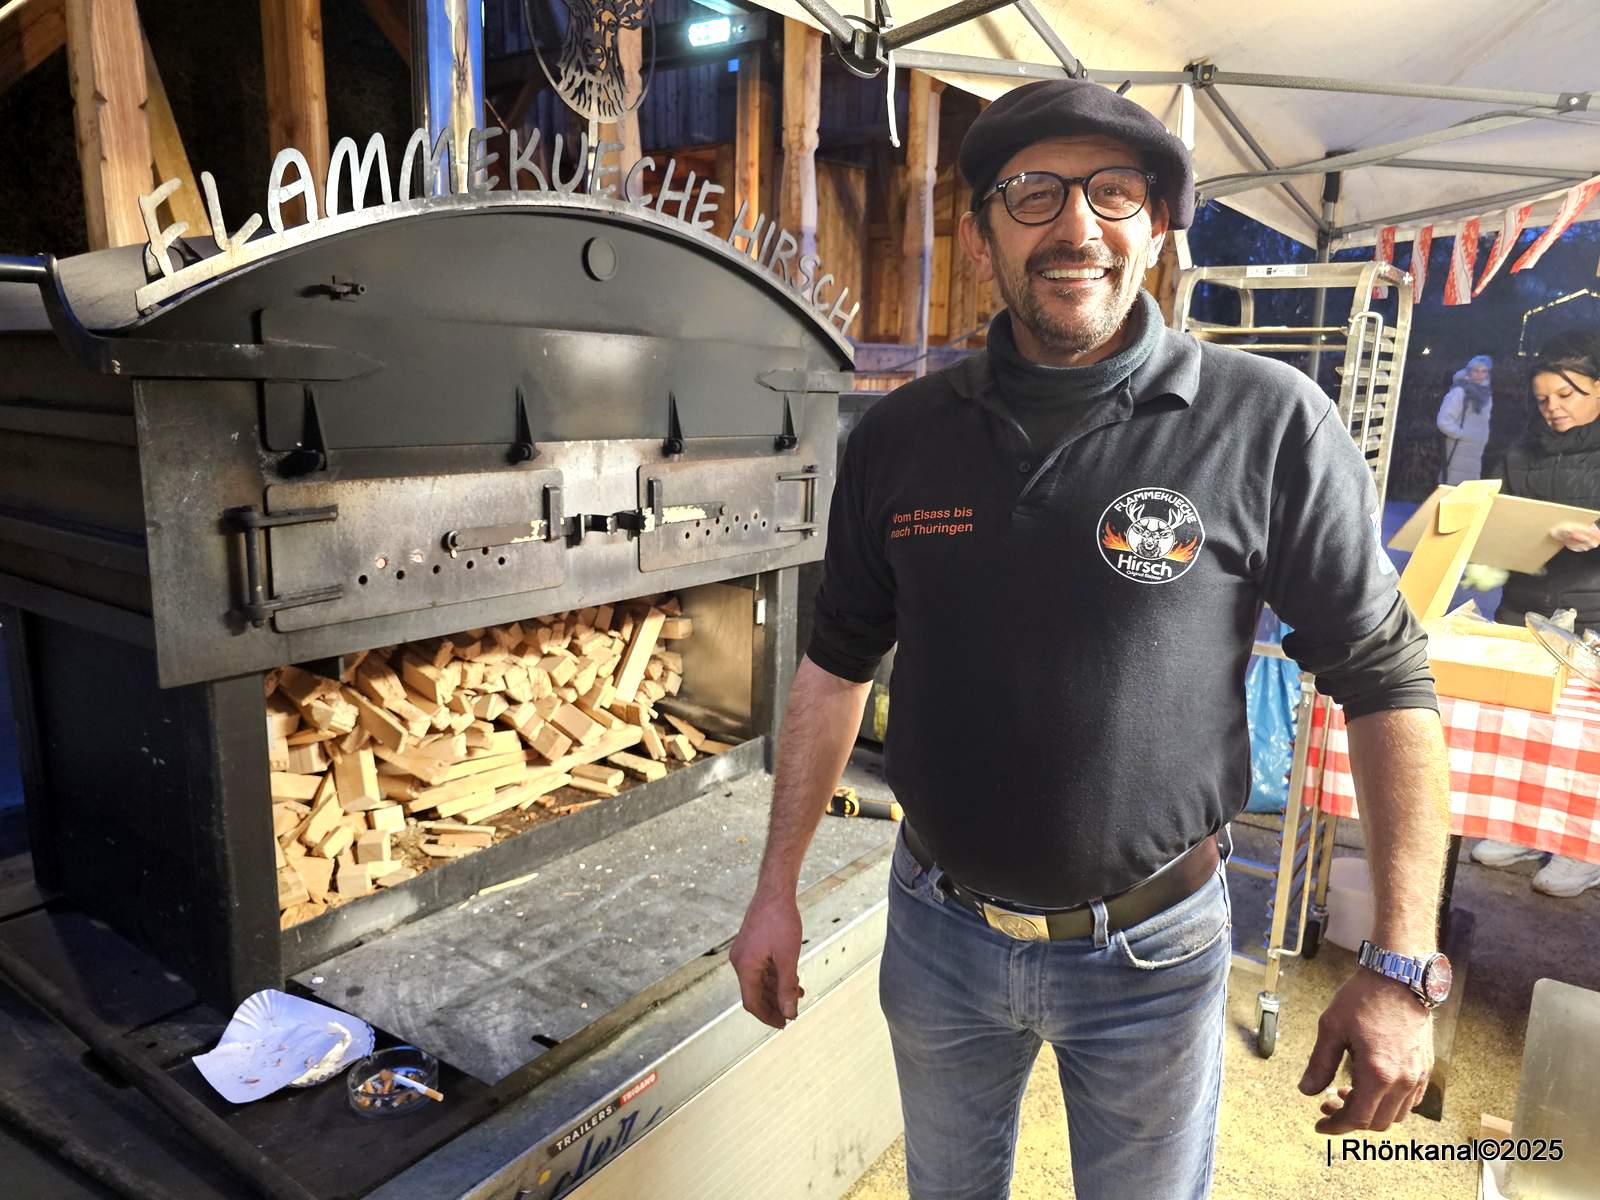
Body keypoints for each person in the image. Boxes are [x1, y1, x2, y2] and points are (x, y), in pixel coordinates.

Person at [729, 79, 1452, 1200]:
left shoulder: (1266, 423)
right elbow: (835, 665)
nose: (1077, 225)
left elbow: (1386, 682)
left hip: (1153, 956)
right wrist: (775, 885)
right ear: (981, 238)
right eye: (1034, 193)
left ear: (1157, 229)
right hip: (938, 934)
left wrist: (1400, 962)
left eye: (1115, 193)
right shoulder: (900, 437)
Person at [1467, 331, 1600, 897]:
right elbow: (1496, 519)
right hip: (1524, 607)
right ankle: (1522, 827)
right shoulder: (1519, 451)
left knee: (1585, 739)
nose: (1554, 408)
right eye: (1544, 398)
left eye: (1568, 395)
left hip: (1593, 613)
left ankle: (1582, 849)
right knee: (1525, 728)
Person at [1437, 355, 1494, 484]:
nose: (1479, 375)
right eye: (1476, 370)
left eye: (1483, 371)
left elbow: (1483, 424)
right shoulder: (1459, 392)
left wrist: (1481, 439)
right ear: (1469, 371)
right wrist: (1461, 435)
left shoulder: (1486, 395)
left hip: (1476, 451)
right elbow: (1444, 420)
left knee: (1468, 488)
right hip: (1458, 449)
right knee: (1452, 486)